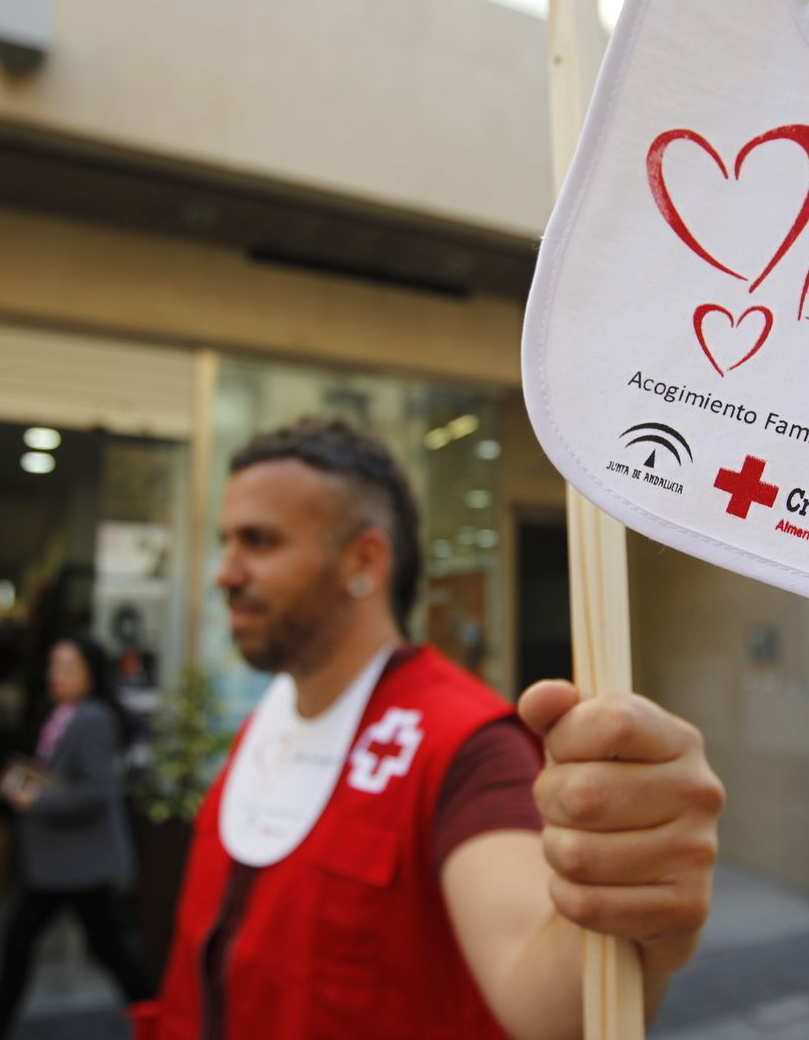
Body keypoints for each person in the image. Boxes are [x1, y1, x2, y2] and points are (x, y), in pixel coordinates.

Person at [136, 418, 724, 1040]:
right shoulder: (266, 722)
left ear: (364, 560)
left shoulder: (468, 746)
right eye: (226, 541)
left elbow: (545, 1002)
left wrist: (625, 890)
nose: (224, 572)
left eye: (259, 541)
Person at [0, 636, 153, 1040]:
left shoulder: (90, 718)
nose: (56, 676)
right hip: (66, 865)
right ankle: (159, 1018)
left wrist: (35, 800)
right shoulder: (66, 714)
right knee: (106, 953)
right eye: (53, 666)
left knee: (97, 952)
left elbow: (96, 792)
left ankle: (160, 1019)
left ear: (91, 674)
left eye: (67, 668)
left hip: (78, 865)